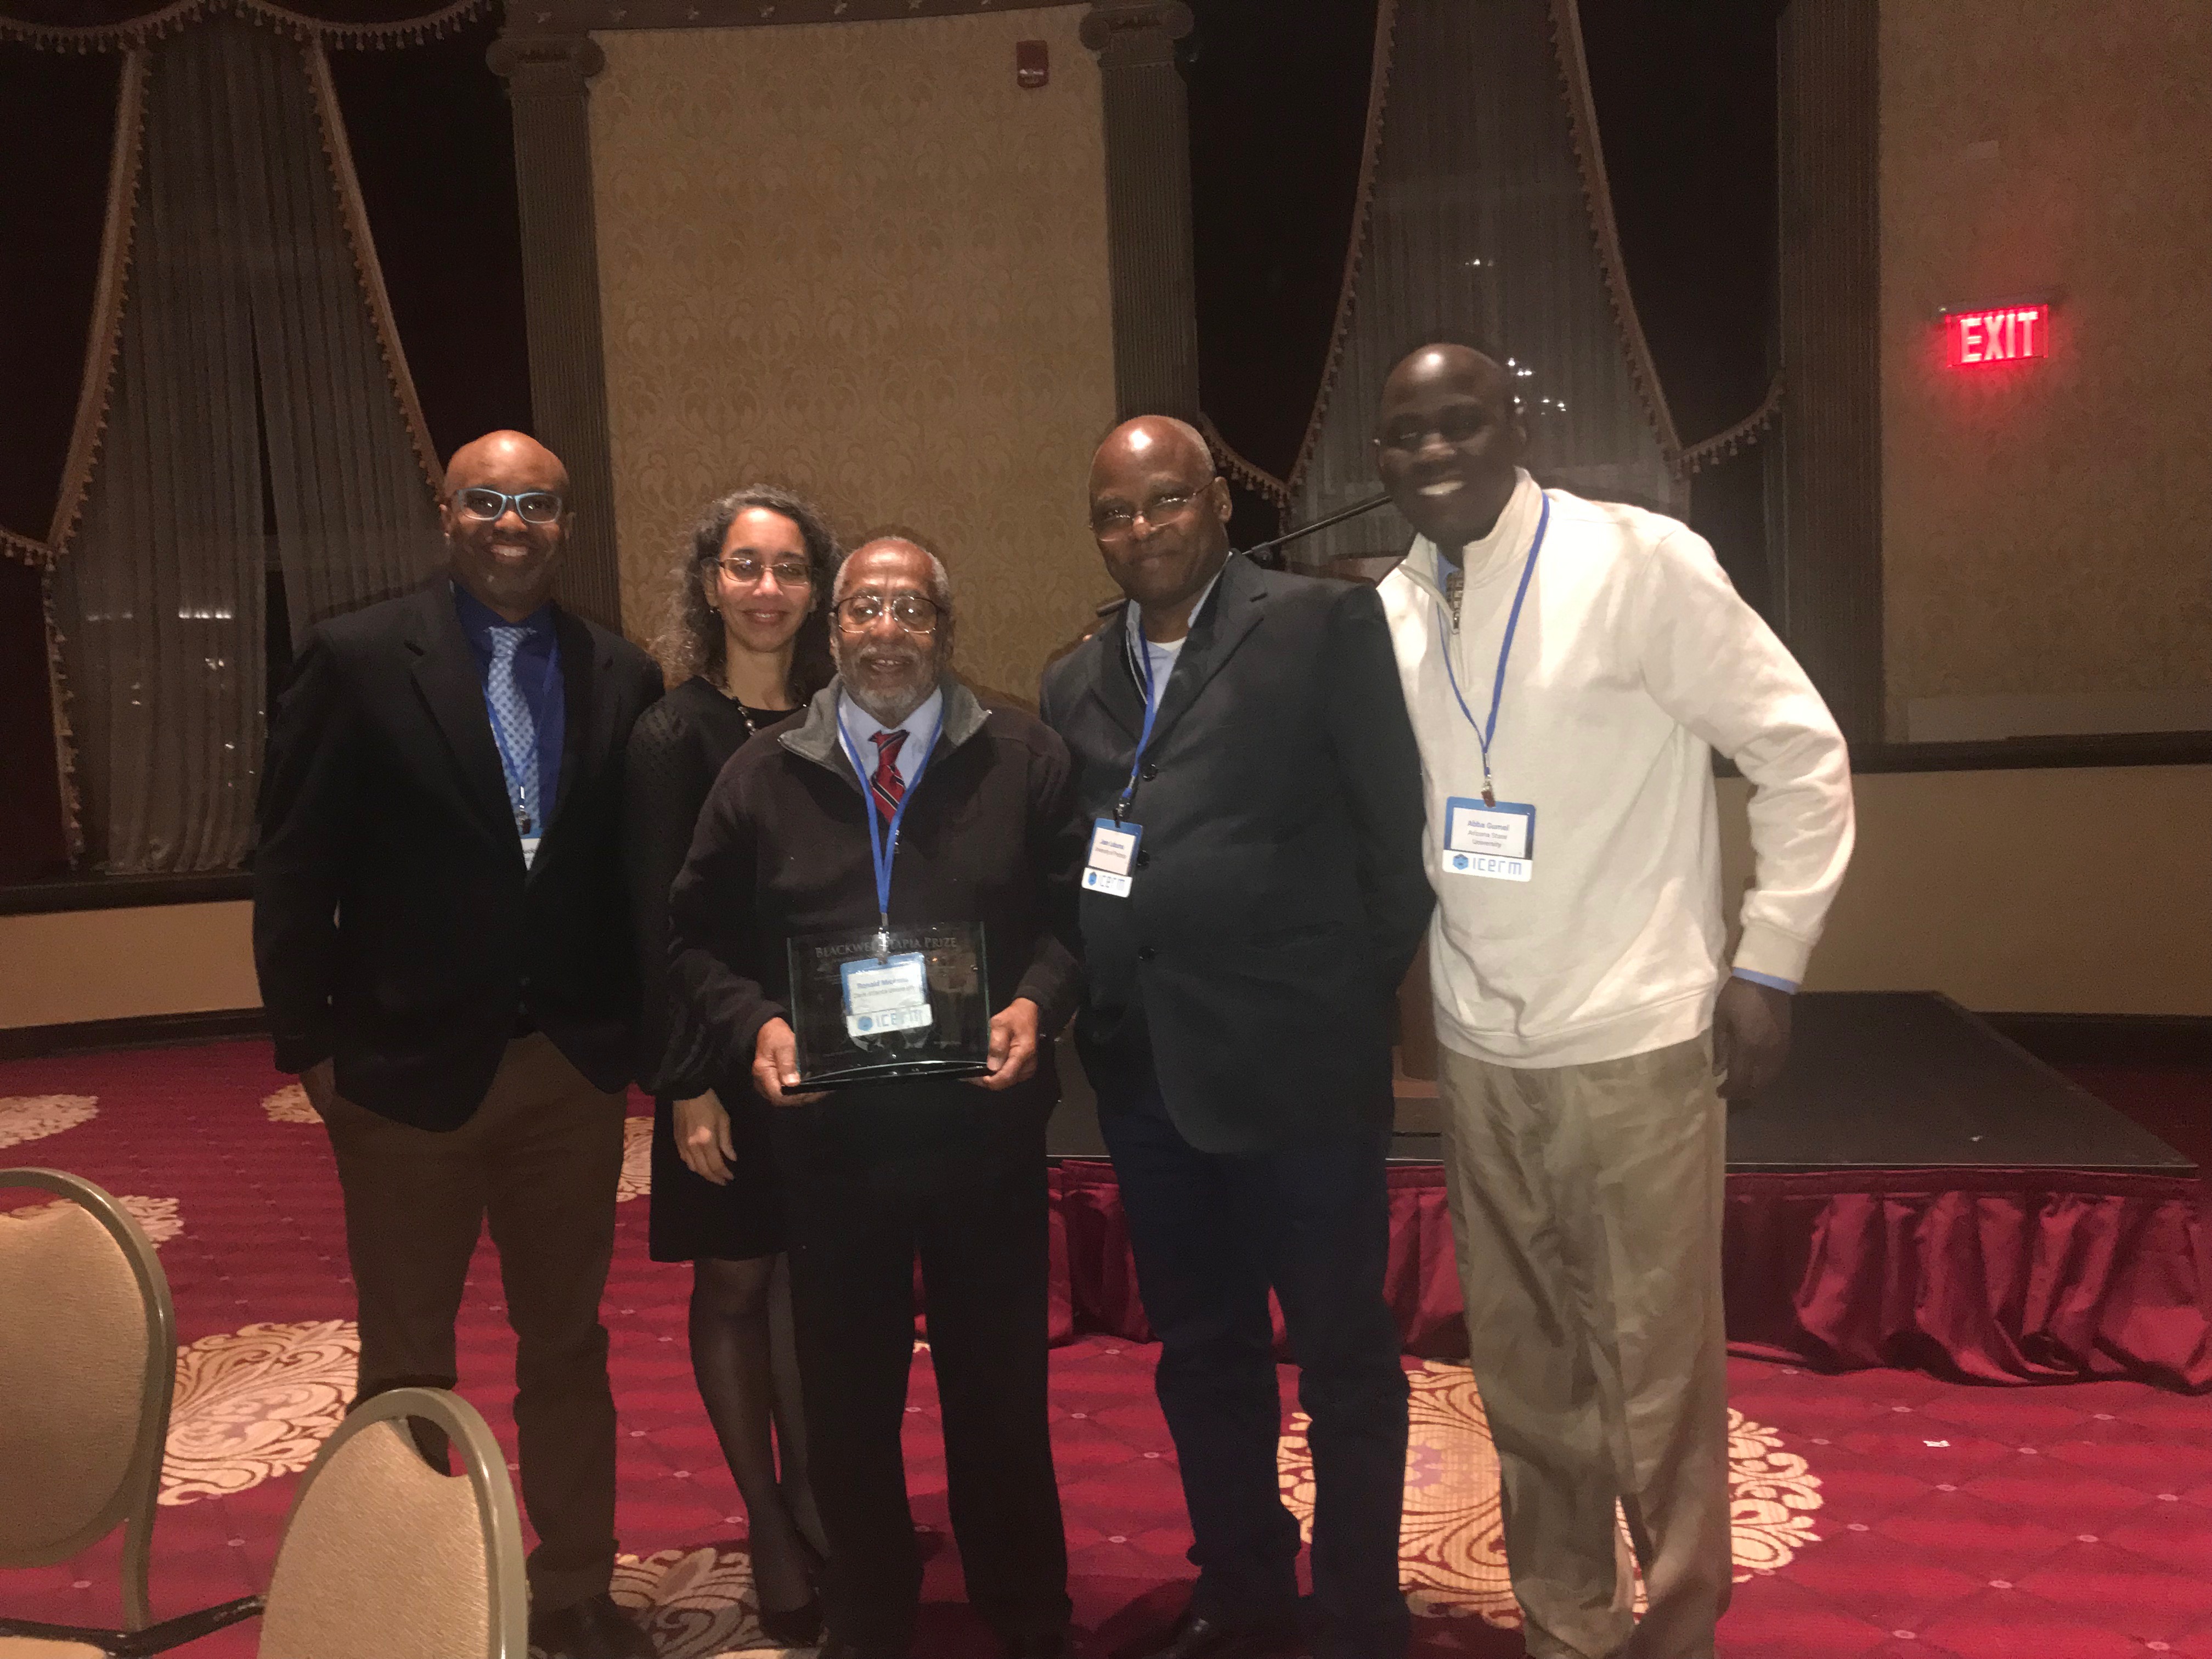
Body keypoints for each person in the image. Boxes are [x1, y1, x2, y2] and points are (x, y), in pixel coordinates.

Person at [1368, 342, 1855, 1659]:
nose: (1434, 455)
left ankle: (1679, 1631)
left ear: (1512, 423)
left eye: (1460, 424)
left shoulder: (1635, 561)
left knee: (1657, 1378)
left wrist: (1771, 960)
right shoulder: (1396, 606)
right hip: (1478, 1048)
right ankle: (1566, 1625)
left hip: (1639, 1038)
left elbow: (1802, 752)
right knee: (1526, 1378)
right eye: (1405, 437)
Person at [252, 431, 664, 1659]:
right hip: (402, 1078)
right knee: (407, 1355)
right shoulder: (357, 658)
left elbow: (620, 875)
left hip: (565, 1074)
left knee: (569, 1344)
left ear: (566, 523)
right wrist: (308, 1051)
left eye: (536, 504)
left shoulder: (619, 671)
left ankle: (577, 1587)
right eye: (486, 500)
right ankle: (408, 1592)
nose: (511, 521)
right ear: (447, 512)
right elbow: (292, 866)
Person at [1040, 418, 1434, 1659]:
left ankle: (1364, 1606)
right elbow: (1078, 858)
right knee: (1202, 1354)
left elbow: (1394, 840)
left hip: (1301, 1073)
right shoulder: (1073, 676)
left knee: (1341, 1354)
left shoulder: (1320, 624)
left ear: (1218, 500)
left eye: (1166, 501)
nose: (1142, 529)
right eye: (1116, 512)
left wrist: (1338, 999)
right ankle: (1244, 1581)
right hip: (1150, 1076)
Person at [663, 536, 1085, 1659]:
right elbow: (693, 935)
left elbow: (1071, 920)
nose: (886, 630)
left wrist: (1040, 1001)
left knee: (998, 1389)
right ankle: (872, 1607)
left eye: (910, 608)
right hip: (832, 1143)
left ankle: (1026, 1606)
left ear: (944, 630)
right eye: (864, 608)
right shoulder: (761, 777)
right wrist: (754, 1024)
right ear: (833, 628)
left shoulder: (1024, 759)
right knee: (847, 1403)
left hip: (981, 1133)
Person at [624, 485, 840, 1642]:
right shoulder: (672, 736)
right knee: (736, 1284)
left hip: (830, 1059)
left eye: (790, 568)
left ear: (819, 588)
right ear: (711, 583)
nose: (768, 590)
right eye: (745, 567)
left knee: (810, 1282)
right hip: (716, 1056)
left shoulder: (845, 714)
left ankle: (814, 1489)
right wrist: (687, 1083)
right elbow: (657, 925)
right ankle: (763, 1514)